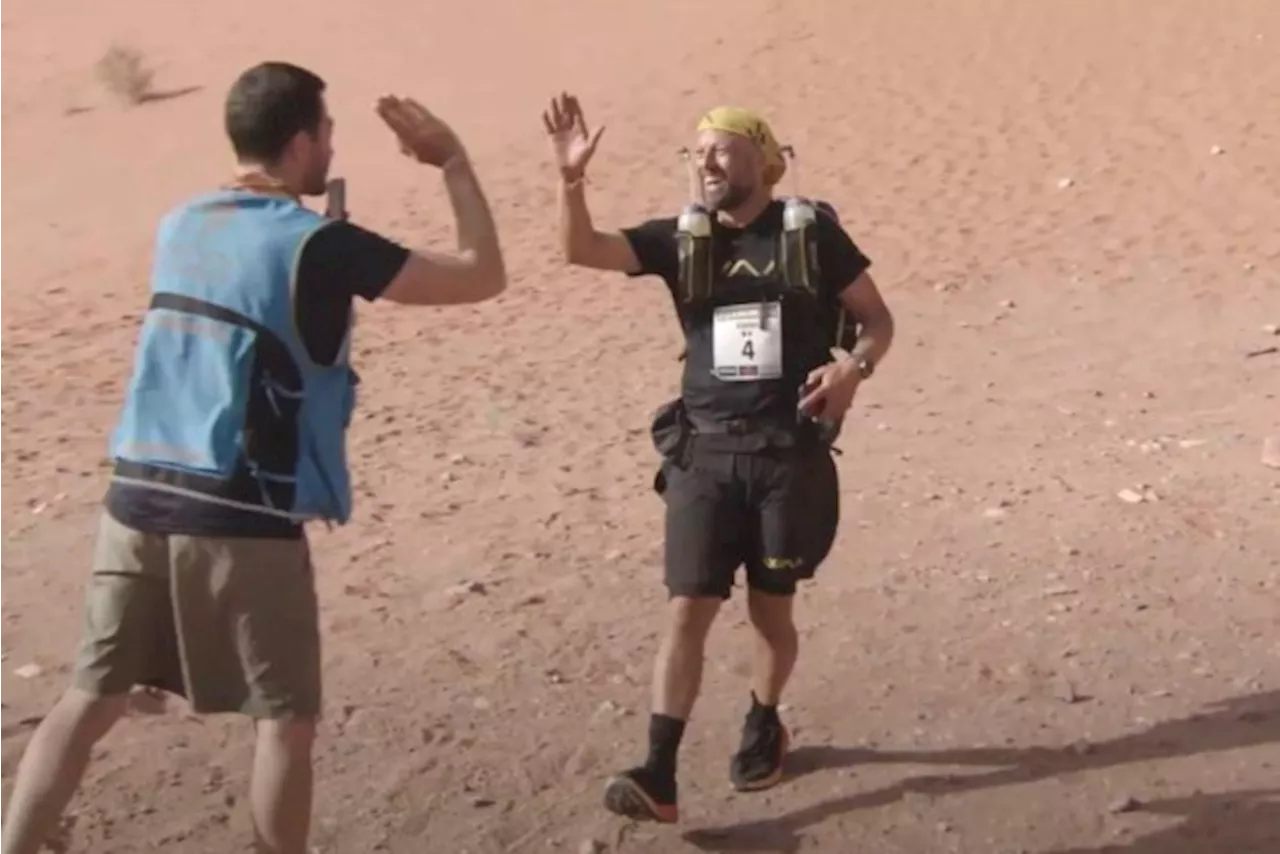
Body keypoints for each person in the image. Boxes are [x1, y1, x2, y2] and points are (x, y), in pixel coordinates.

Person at [0, 61, 506, 854]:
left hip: (134, 499)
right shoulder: (321, 244)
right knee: (286, 720)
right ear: (301, 140)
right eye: (328, 131)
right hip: (243, 511)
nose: (332, 144)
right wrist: (452, 163)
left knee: (88, 700)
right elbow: (481, 276)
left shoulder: (181, 223)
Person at [543, 92, 895, 824]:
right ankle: (658, 772)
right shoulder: (682, 239)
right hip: (704, 454)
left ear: (762, 160)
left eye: (721, 147)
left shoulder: (810, 235)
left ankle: (764, 718)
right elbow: (582, 250)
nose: (705, 159)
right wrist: (570, 180)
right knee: (688, 609)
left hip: (786, 458)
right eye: (696, 149)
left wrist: (851, 371)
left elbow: (877, 320)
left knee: (772, 612)